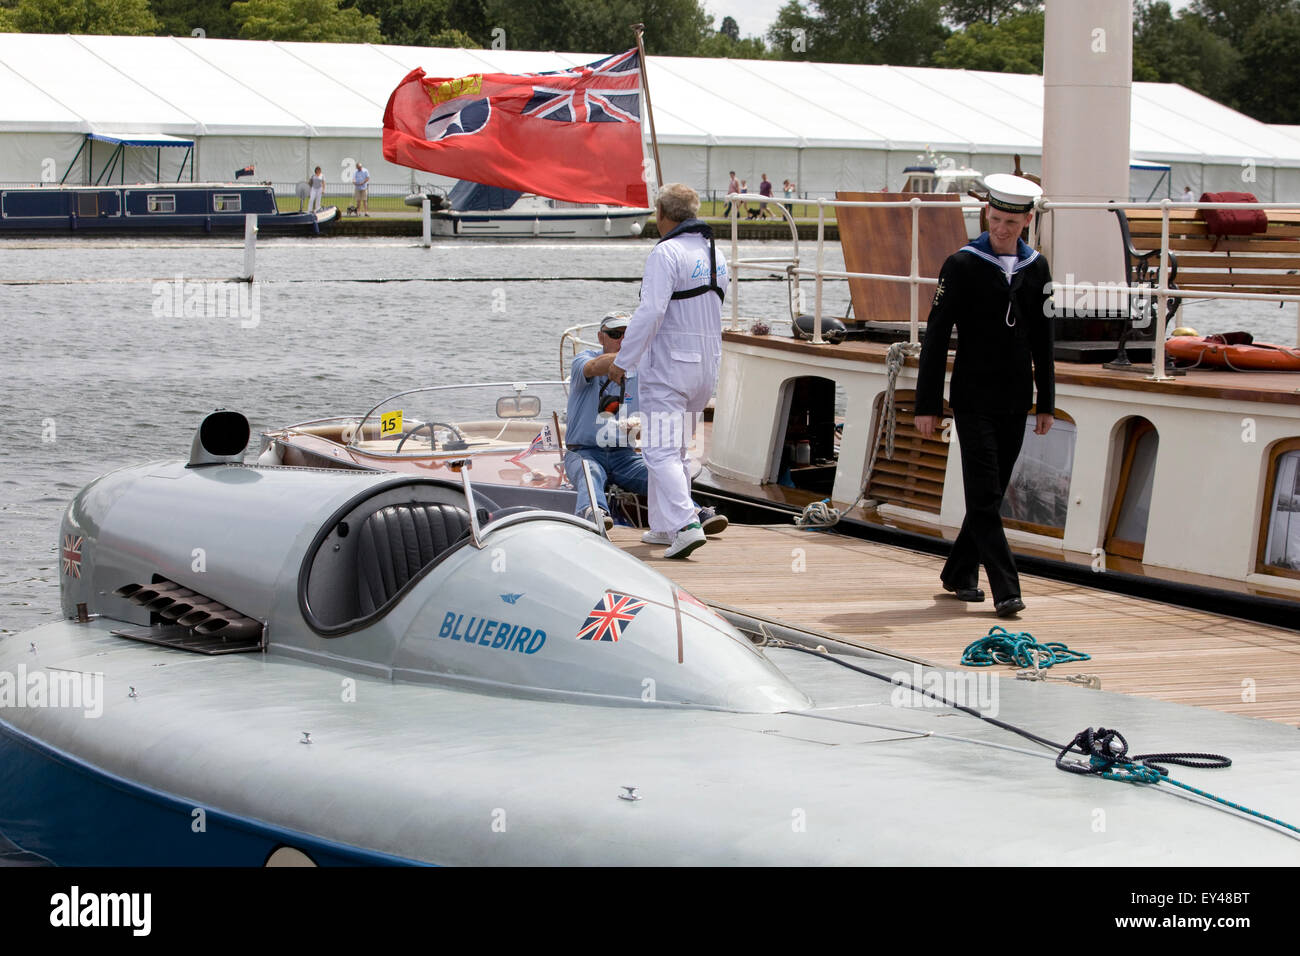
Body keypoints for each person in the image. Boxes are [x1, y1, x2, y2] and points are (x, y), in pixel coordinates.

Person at [914, 173, 1054, 618]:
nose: (1002, 229)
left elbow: (1045, 341)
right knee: (984, 494)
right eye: (995, 219)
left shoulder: (1038, 267)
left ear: (1027, 220)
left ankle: (958, 573)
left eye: (1011, 223)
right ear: (986, 215)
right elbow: (936, 338)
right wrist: (927, 405)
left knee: (991, 493)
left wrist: (1046, 402)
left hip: (1015, 398)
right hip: (971, 398)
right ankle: (1006, 589)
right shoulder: (962, 264)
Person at [610, 184, 728, 559]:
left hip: (671, 367)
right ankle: (663, 526)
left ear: (662, 214)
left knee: (659, 451)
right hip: (705, 368)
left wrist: (622, 360)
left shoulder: (665, 253)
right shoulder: (716, 253)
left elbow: (651, 312)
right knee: (677, 451)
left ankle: (686, 523)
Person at [565, 310, 727, 539]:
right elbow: (593, 367)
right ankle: (595, 513)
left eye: (629, 335)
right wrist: (637, 353)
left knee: (657, 472)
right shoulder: (583, 360)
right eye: (615, 334)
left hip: (624, 454)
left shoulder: (643, 370)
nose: (622, 340)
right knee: (589, 471)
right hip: (585, 450)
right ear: (601, 338)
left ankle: (693, 514)